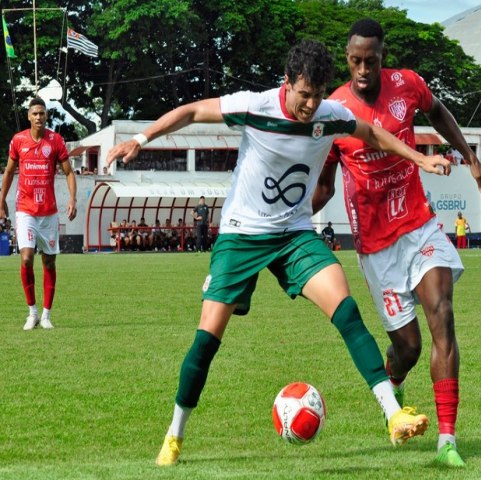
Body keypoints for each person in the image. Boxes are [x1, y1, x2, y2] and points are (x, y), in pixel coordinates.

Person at [106, 39, 452, 467]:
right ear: (287, 83)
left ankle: (393, 412)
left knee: (345, 309)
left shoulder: (329, 115)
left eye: (318, 94)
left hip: (293, 233)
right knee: (207, 338)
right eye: (304, 94)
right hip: (242, 235)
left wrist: (420, 158)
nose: (310, 104)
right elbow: (193, 111)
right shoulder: (256, 105)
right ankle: (175, 435)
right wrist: (141, 138)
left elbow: (374, 133)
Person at [312, 19, 481, 468]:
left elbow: (438, 114)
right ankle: (394, 382)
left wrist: (470, 158)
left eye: (370, 62)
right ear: (347, 58)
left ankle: (447, 439)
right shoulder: (334, 109)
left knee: (443, 314)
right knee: (408, 347)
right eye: (354, 61)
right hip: (375, 245)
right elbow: (324, 182)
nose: (361, 70)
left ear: (382, 58)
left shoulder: (406, 85)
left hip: (418, 224)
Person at [0, 97, 77, 330]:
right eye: (35, 113)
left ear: (46, 116)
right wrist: (1, 200)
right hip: (25, 210)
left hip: (49, 213)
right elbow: (10, 172)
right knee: (26, 257)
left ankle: (46, 315)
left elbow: (69, 172)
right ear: (28, 116)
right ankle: (32, 312)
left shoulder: (56, 141)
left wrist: (73, 199)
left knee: (49, 262)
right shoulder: (18, 141)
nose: (39, 117)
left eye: (42, 113)